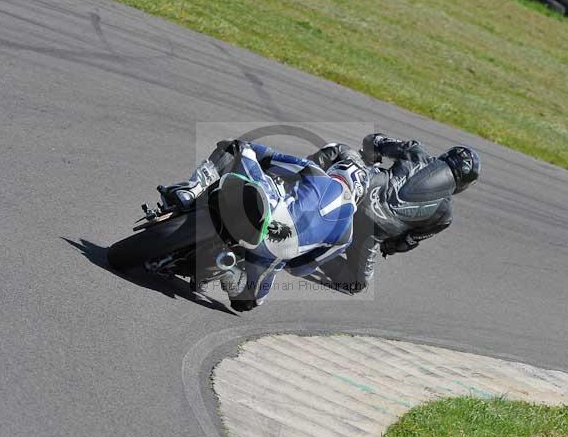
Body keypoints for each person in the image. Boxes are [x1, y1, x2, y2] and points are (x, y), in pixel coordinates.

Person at [166, 139, 368, 311]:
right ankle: (228, 270)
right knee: (247, 302)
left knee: (237, 146)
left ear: (337, 169)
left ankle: (192, 190)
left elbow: (267, 157)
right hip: (275, 253)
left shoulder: (315, 172)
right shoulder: (346, 236)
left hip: (267, 209)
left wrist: (254, 155)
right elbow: (299, 270)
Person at [308, 133, 480, 294]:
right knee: (356, 283)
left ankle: (298, 180)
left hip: (357, 194)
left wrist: (371, 157)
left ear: (445, 155)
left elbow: (372, 141)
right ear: (464, 184)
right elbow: (406, 242)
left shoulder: (416, 151)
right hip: (371, 233)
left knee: (340, 150)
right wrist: (388, 245)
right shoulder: (444, 216)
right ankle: (308, 253)